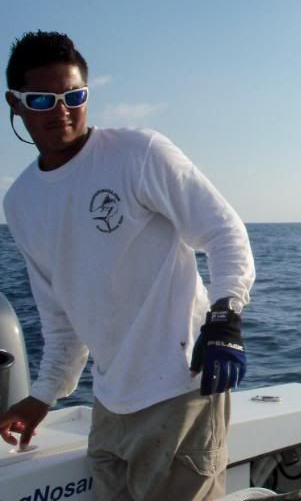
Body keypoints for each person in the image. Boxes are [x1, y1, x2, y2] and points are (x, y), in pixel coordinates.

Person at [0, 31, 256, 500]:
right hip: (109, 403)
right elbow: (59, 319)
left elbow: (224, 231)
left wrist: (225, 318)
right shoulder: (20, 203)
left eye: (73, 96)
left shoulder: (138, 153)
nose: (61, 110)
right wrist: (43, 395)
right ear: (15, 104)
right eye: (41, 99)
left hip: (182, 390)